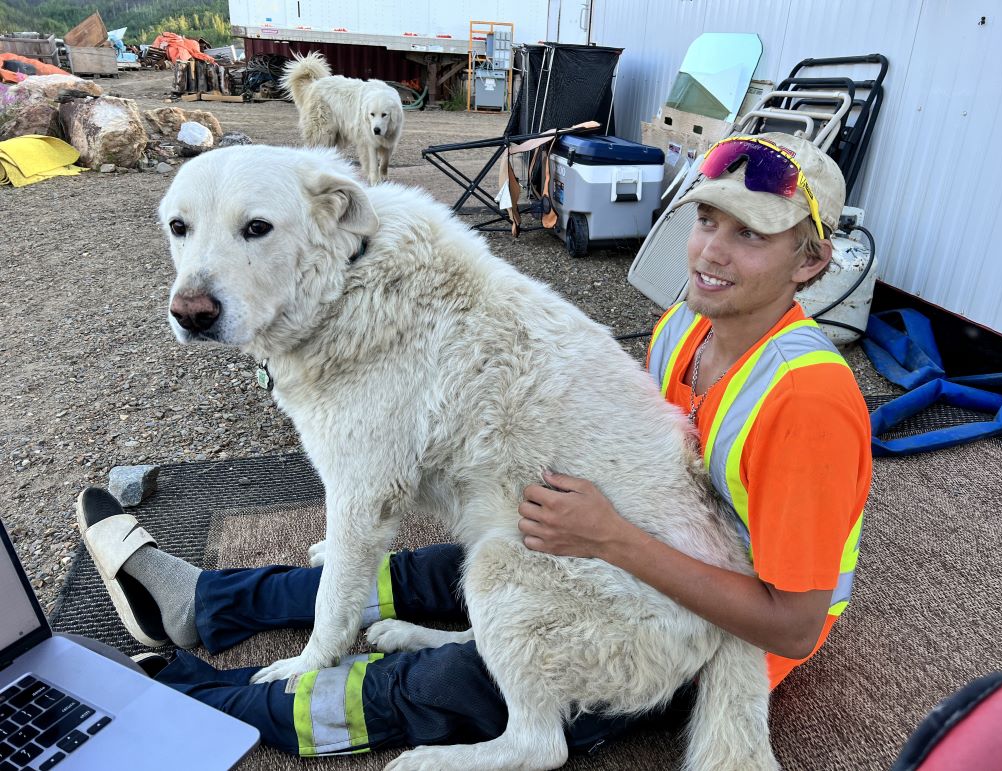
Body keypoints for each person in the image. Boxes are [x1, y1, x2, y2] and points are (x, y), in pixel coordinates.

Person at [75, 131, 871, 758]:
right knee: (420, 569)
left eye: (752, 235)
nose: (711, 252)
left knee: (426, 678)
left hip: (703, 643)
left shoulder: (806, 399)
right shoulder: (691, 325)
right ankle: (206, 604)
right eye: (705, 218)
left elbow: (791, 625)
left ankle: (176, 700)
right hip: (625, 545)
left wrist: (611, 538)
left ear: (810, 261)